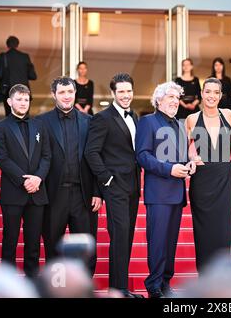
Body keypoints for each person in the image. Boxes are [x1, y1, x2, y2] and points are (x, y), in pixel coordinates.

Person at [36, 76, 102, 276]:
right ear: (54, 95)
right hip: (54, 196)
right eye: (62, 92)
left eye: (70, 92)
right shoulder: (41, 122)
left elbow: (96, 158)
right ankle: (56, 289)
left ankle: (83, 289)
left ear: (75, 93)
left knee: (86, 247)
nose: (66, 96)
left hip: (84, 196)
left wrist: (98, 192)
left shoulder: (90, 122)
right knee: (52, 245)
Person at [84, 73, 142, 298]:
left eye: (129, 91)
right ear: (113, 94)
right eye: (121, 92)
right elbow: (91, 152)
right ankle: (117, 290)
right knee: (118, 236)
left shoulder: (135, 116)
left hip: (133, 186)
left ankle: (121, 288)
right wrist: (106, 179)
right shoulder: (103, 118)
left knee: (126, 237)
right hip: (115, 186)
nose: (126, 95)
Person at [136, 81, 196, 298]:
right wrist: (170, 169)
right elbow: (142, 155)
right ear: (158, 100)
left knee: (170, 243)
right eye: (170, 97)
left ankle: (165, 283)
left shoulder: (180, 125)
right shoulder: (147, 122)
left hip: (177, 193)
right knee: (158, 241)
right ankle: (153, 285)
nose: (175, 101)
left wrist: (189, 165)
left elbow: (181, 157)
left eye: (177, 98)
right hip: (158, 193)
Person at [0, 84, 51, 278]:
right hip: (13, 193)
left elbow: (46, 156)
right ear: (9, 102)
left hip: (37, 193)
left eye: (26, 99)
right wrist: (23, 180)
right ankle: (7, 283)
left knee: (33, 243)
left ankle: (32, 282)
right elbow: (2, 159)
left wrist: (38, 178)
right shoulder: (1, 127)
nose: (23, 103)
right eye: (19, 99)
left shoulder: (39, 125)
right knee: (10, 241)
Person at [185, 77, 231, 274]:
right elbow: (186, 150)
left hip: (224, 177)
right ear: (201, 93)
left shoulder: (229, 115)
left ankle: (224, 278)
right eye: (208, 91)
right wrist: (191, 156)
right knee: (203, 232)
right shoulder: (191, 119)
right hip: (202, 182)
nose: (212, 96)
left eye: (216, 92)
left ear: (221, 95)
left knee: (224, 231)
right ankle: (205, 278)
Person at [0, 36, 37, 116]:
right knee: (24, 116)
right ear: (17, 45)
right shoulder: (25, 57)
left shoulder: (2, 57)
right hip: (24, 92)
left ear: (7, 45)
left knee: (9, 116)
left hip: (9, 91)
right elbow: (33, 76)